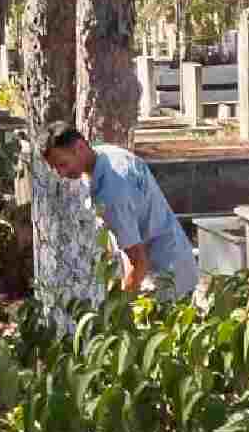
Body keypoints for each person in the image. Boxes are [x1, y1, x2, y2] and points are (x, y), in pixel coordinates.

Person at [41, 121, 198, 299]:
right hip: (176, 260)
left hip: (165, 278)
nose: (61, 174)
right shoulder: (107, 155)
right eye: (55, 168)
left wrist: (118, 309)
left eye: (63, 164)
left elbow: (138, 262)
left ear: (79, 147)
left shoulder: (112, 192)